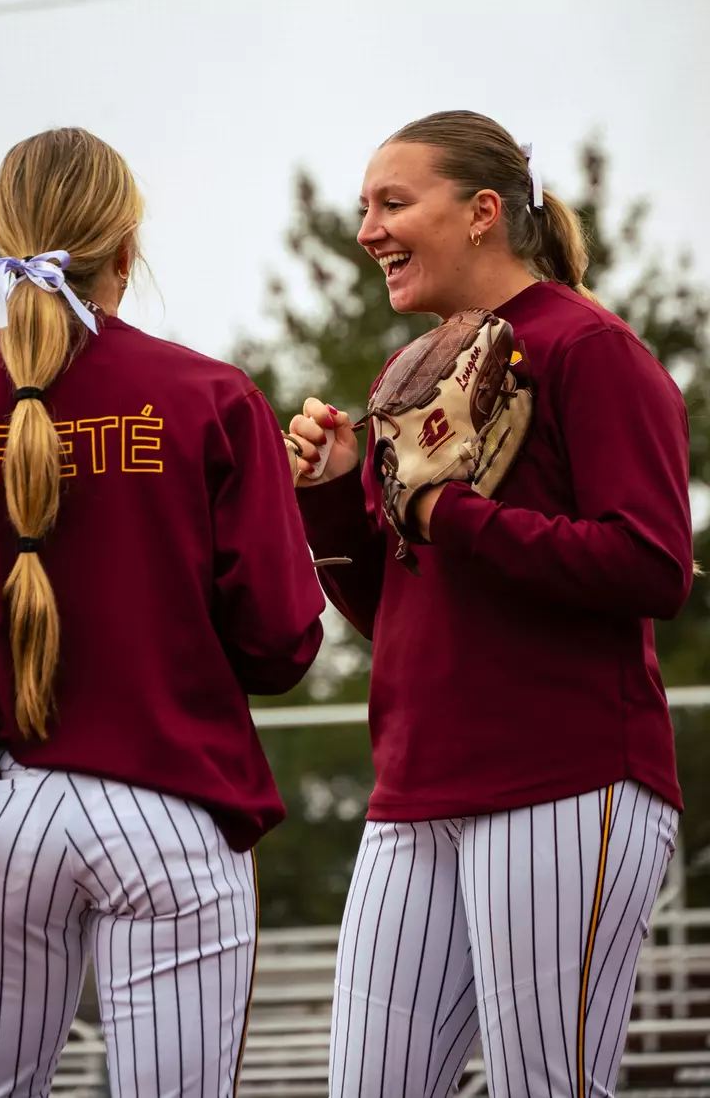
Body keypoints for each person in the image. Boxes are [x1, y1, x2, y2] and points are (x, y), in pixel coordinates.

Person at [0, 127, 325, 1098]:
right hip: (171, 807)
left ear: (4, 239)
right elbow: (280, 642)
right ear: (125, 250)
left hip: (1, 805)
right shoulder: (213, 397)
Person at [287, 110, 693, 1098]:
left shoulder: (589, 346)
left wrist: (452, 512)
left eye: (392, 203)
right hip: (415, 788)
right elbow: (400, 612)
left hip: (566, 775)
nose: (368, 231)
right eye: (363, 208)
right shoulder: (410, 374)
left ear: (480, 212)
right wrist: (333, 494)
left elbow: (653, 566)